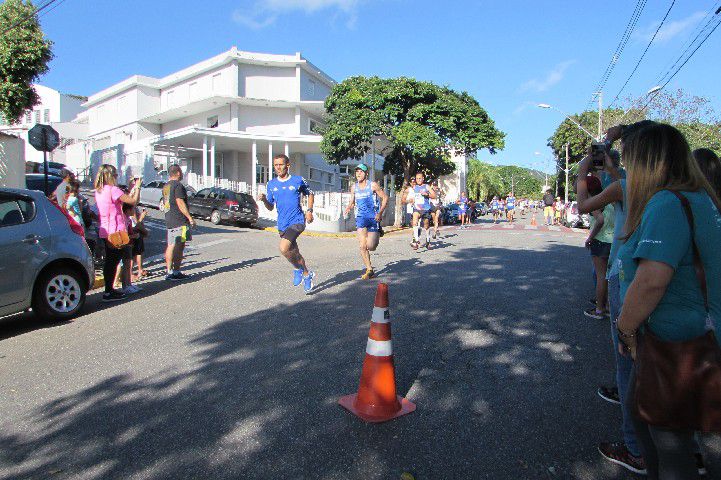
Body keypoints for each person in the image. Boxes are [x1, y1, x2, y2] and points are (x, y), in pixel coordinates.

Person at [615, 123, 720, 479]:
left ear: (648, 163)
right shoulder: (700, 198)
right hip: (688, 334)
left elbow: (651, 282)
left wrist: (625, 329)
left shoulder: (668, 202)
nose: (628, 171)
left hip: (679, 343)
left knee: (669, 442)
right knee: (641, 414)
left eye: (630, 163)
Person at [259, 154, 316, 293]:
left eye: (281, 164)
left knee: (284, 248)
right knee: (293, 253)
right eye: (276, 165)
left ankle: (297, 269)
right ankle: (307, 275)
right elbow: (271, 206)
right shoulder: (271, 184)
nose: (278, 167)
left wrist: (309, 211)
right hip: (282, 224)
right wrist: (264, 200)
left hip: (297, 221)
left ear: (288, 165)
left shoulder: (298, 180)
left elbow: (310, 193)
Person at [93, 164, 141, 302]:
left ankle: (109, 289)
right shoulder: (113, 190)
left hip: (105, 229)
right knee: (114, 261)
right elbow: (133, 201)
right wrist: (137, 187)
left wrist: (130, 189)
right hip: (116, 231)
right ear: (110, 176)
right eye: (115, 175)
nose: (116, 177)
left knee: (110, 261)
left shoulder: (99, 191)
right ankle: (109, 291)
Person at [343, 164, 388, 280]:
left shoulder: (372, 185)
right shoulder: (354, 187)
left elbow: (385, 198)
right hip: (361, 218)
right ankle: (369, 269)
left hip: (373, 218)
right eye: (357, 172)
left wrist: (380, 213)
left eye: (361, 172)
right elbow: (352, 202)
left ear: (366, 174)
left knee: (371, 246)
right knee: (362, 246)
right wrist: (348, 207)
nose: (358, 174)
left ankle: (378, 230)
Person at [583, 175, 613, 320]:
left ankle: (600, 309)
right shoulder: (609, 199)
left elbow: (599, 220)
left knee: (601, 277)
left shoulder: (594, 203)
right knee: (608, 276)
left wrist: (590, 237)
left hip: (600, 241)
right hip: (612, 241)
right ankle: (607, 305)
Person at [163, 164, 196, 281]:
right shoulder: (178, 185)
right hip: (179, 220)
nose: (182, 174)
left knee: (171, 245)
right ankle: (176, 272)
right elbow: (180, 202)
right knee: (179, 246)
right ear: (177, 173)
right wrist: (189, 218)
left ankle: (169, 271)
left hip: (170, 219)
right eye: (181, 172)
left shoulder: (166, 186)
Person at [404, 171, 436, 249]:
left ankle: (428, 241)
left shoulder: (426, 186)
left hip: (425, 209)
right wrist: (409, 200)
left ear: (423, 178)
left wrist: (427, 194)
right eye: (417, 178)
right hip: (416, 208)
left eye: (420, 178)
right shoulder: (414, 188)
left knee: (426, 225)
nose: (418, 180)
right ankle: (416, 241)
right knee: (414, 222)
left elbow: (434, 195)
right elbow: (406, 197)